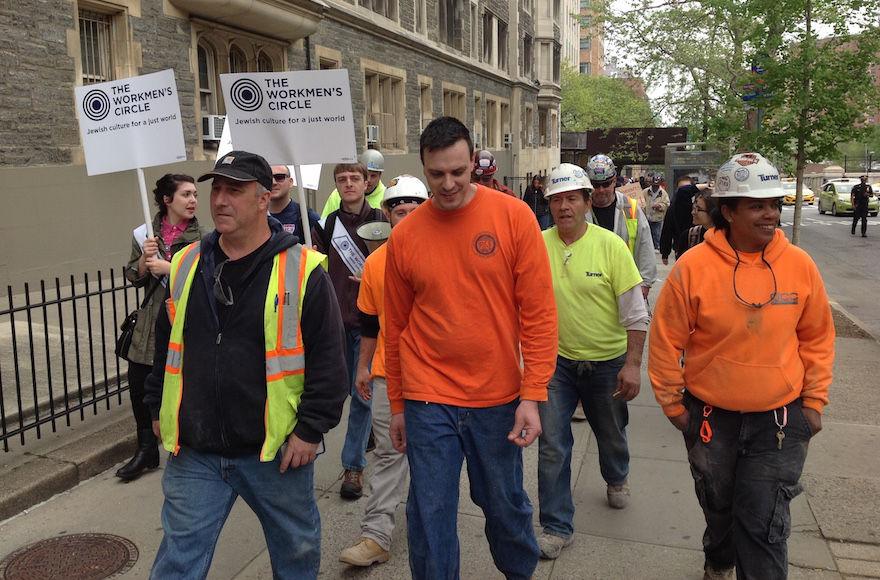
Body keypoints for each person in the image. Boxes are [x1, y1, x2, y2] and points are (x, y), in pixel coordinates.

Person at [143, 151, 349, 579]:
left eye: (234, 190)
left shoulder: (302, 269)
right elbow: (165, 348)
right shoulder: (184, 265)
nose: (219, 199)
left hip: (273, 452)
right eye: (216, 188)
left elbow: (330, 361)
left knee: (296, 554)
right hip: (196, 451)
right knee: (177, 562)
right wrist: (155, 407)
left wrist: (310, 430)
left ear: (262, 199)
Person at [384, 117, 558, 579]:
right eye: (437, 174)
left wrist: (532, 395)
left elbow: (538, 315)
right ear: (423, 167)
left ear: (474, 160)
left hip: (496, 397)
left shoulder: (513, 216)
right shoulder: (405, 235)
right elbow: (396, 327)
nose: (448, 183)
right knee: (429, 512)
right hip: (427, 397)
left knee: (505, 505)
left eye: (458, 172)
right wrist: (398, 404)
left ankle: (519, 572)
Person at [649, 152, 835, 580]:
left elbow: (818, 338)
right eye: (757, 205)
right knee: (719, 507)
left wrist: (814, 403)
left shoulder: (800, 266)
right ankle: (718, 558)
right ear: (728, 212)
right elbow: (665, 340)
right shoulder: (692, 268)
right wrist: (674, 406)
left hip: (781, 421)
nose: (770, 214)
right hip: (712, 419)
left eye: (774, 203)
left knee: (764, 524)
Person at [536, 163, 650, 560]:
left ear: (587, 202)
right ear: (548, 204)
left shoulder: (611, 246)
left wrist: (632, 364)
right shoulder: (538, 244)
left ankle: (616, 475)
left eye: (572, 198)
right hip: (556, 364)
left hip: (606, 361)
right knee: (552, 444)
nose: (564, 206)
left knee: (611, 432)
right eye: (556, 199)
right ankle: (555, 524)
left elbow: (636, 313)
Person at [339, 175, 429, 568]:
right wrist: (362, 367)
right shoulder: (375, 263)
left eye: (413, 210)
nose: (406, 218)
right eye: (398, 211)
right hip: (386, 374)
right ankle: (376, 535)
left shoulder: (446, 254)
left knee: (431, 456)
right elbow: (370, 324)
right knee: (389, 455)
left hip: (436, 378)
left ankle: (429, 524)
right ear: (388, 215)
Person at [117, 174, 202, 481]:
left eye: (194, 194)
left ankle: (187, 445)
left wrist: (171, 269)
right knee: (140, 388)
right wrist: (144, 261)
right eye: (186, 195)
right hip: (149, 327)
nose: (193, 200)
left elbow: (207, 281)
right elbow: (133, 277)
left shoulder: (202, 238)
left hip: (184, 326)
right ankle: (146, 450)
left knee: (182, 387)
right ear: (167, 200)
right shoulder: (145, 234)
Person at [313, 162, 386, 500]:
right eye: (342, 180)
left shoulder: (382, 221)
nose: (349, 184)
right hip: (336, 321)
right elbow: (316, 263)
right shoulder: (328, 223)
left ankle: (353, 466)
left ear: (367, 181)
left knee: (361, 397)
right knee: (333, 391)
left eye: (355, 178)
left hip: (369, 323)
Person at [585, 154, 657, 299]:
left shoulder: (631, 208)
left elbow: (645, 245)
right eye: (595, 185)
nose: (600, 190)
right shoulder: (581, 208)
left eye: (606, 184)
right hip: (589, 287)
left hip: (626, 285)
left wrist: (645, 282)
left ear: (614, 181)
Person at [321, 149, 386, 218]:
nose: (368, 179)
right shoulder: (335, 196)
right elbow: (325, 222)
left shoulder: (386, 196)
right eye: (366, 175)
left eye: (373, 176)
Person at [268, 164, 320, 244]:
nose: (273, 182)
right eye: (268, 178)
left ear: (291, 182)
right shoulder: (255, 217)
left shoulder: (307, 217)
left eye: (279, 177)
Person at [659, 175, 703, 264]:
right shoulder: (673, 209)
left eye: (688, 188)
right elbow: (667, 230)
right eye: (682, 188)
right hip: (681, 249)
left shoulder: (702, 207)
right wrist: (665, 252)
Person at [678, 190, 716, 254]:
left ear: (712, 212)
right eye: (694, 208)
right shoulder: (688, 236)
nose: (693, 212)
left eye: (698, 209)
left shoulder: (728, 237)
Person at [641, 174, 669, 251]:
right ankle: (648, 247)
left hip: (657, 217)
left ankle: (656, 246)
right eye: (653, 185)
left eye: (656, 185)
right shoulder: (645, 192)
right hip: (646, 216)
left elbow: (666, 203)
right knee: (647, 233)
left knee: (657, 233)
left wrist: (660, 206)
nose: (655, 187)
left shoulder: (663, 193)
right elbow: (640, 202)